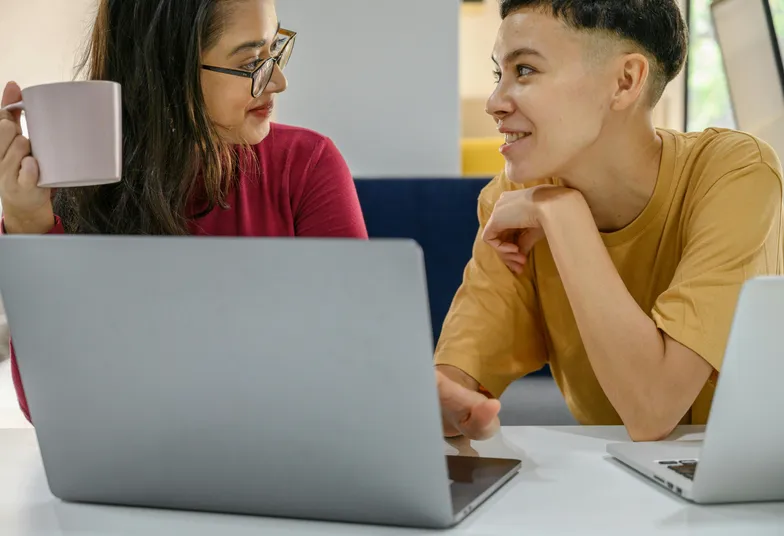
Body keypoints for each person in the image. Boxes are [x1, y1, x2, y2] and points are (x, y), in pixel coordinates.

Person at [0, 0, 368, 422]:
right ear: (167, 71)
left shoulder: (306, 166)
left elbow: (352, 367)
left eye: (274, 50)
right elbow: (54, 408)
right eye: (251, 62)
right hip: (131, 476)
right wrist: (28, 225)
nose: (278, 81)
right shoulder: (79, 178)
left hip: (290, 461)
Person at [436, 0, 783, 442]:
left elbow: (653, 409)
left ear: (625, 81)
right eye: (497, 74)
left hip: (756, 490)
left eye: (524, 70)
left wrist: (563, 214)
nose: (494, 103)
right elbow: (450, 390)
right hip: (620, 489)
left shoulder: (736, 173)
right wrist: (441, 407)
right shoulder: (510, 200)